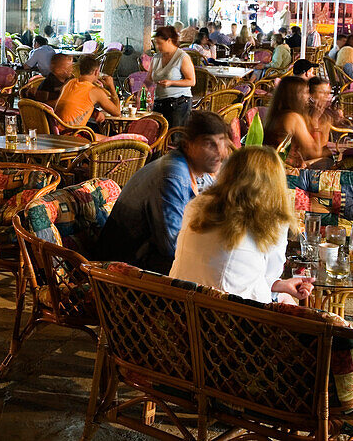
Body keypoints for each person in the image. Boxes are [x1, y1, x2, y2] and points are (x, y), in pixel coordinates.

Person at [169, 146, 313, 304]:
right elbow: (271, 274)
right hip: (231, 317)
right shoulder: (273, 219)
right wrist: (277, 284)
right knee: (289, 304)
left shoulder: (197, 205)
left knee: (282, 295)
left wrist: (280, 285)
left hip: (180, 306)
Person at [94, 111, 231, 274]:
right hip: (125, 267)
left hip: (151, 256)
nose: (220, 152)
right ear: (188, 145)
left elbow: (220, 212)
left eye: (222, 143)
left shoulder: (200, 172)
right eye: (209, 144)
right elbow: (171, 247)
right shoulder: (173, 175)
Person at [262, 76, 330, 167]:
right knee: (329, 161)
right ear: (295, 95)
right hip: (289, 171)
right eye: (305, 92)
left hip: (272, 165)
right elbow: (315, 152)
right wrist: (315, 120)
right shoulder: (293, 118)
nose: (308, 96)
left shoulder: (274, 115)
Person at [147, 25, 195, 128]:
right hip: (159, 102)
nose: (158, 47)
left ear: (169, 41)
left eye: (160, 43)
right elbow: (149, 79)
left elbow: (191, 81)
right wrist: (140, 93)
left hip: (179, 102)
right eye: (156, 43)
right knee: (158, 134)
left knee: (175, 137)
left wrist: (171, 82)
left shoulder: (182, 57)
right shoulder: (156, 57)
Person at [55, 56, 120, 127]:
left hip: (56, 130)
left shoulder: (69, 83)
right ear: (96, 72)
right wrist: (111, 87)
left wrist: (95, 112)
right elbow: (117, 113)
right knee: (114, 137)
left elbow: (75, 105)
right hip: (71, 134)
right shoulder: (95, 91)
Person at [307, 76, 351, 144]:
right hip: (338, 140)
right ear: (311, 94)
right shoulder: (314, 111)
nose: (326, 96)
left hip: (345, 134)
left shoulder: (325, 107)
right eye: (322, 92)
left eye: (328, 93)